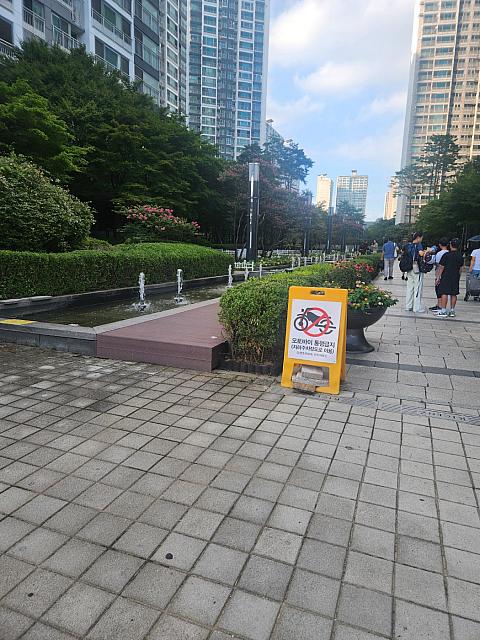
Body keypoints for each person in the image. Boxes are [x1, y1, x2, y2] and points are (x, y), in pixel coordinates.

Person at [434, 238, 464, 318]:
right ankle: (452, 310)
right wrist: (459, 276)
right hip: (455, 276)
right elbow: (461, 268)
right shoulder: (460, 256)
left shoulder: (446, 255)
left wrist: (438, 278)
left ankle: (443, 310)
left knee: (444, 293)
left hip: (446, 276)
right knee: (454, 293)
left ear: (450, 245)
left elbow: (441, 267)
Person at [404, 232, 427, 313]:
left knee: (409, 288)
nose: (421, 239)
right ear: (418, 237)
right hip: (417, 269)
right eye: (421, 238)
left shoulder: (408, 245)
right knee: (417, 288)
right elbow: (421, 254)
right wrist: (426, 252)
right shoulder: (419, 245)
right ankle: (416, 308)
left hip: (409, 268)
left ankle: (408, 306)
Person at [428, 238, 449, 311]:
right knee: (443, 290)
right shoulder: (449, 253)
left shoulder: (439, 254)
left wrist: (437, 277)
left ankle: (440, 305)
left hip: (439, 274)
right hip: (447, 274)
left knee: (439, 290)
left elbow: (438, 265)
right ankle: (439, 305)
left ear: (440, 245)